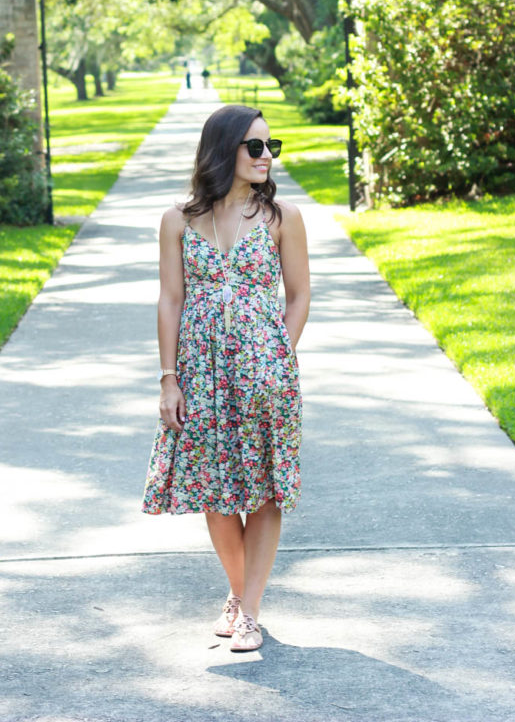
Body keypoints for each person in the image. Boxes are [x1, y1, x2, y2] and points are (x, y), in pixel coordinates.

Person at [142, 104, 310, 652]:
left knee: (263, 494)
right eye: (254, 147)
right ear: (224, 151)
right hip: (201, 375)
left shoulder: (283, 218)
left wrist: (278, 354)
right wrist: (169, 379)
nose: (266, 157)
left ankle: (249, 610)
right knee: (215, 494)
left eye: (271, 147)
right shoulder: (179, 221)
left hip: (266, 378)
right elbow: (171, 299)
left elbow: (300, 295)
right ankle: (239, 596)